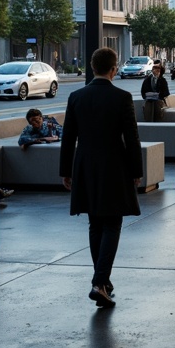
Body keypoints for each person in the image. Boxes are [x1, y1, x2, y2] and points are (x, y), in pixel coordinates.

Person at [59, 47, 143, 308]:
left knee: (95, 224)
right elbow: (131, 138)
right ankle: (99, 282)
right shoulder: (122, 97)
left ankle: (102, 281)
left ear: (92, 68)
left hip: (85, 167)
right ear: (113, 69)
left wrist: (66, 170)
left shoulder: (76, 97)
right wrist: (136, 171)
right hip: (114, 166)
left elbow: (68, 138)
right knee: (112, 224)